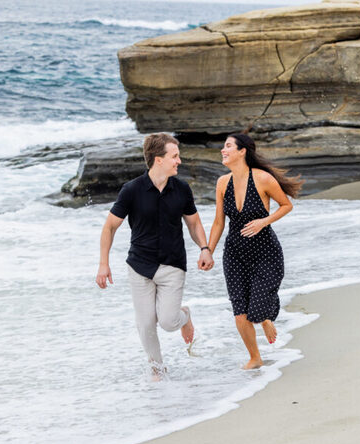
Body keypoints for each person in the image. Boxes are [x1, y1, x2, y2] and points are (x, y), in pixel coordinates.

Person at [96, 133, 214, 377]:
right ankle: (157, 369)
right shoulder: (132, 190)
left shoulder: (181, 189)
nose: (179, 161)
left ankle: (186, 315)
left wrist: (204, 248)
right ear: (158, 160)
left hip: (172, 265)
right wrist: (103, 264)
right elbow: (109, 227)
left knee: (169, 322)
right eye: (174, 156)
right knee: (146, 324)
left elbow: (193, 224)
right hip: (139, 266)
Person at [206, 133, 303, 369]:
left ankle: (265, 317)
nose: (223, 150)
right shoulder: (222, 183)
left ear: (242, 151)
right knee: (240, 311)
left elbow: (286, 205)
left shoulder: (263, 179)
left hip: (265, 253)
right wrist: (207, 251)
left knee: (256, 311)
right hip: (235, 254)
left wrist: (263, 221)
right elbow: (219, 222)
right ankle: (255, 357)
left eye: (228, 146)